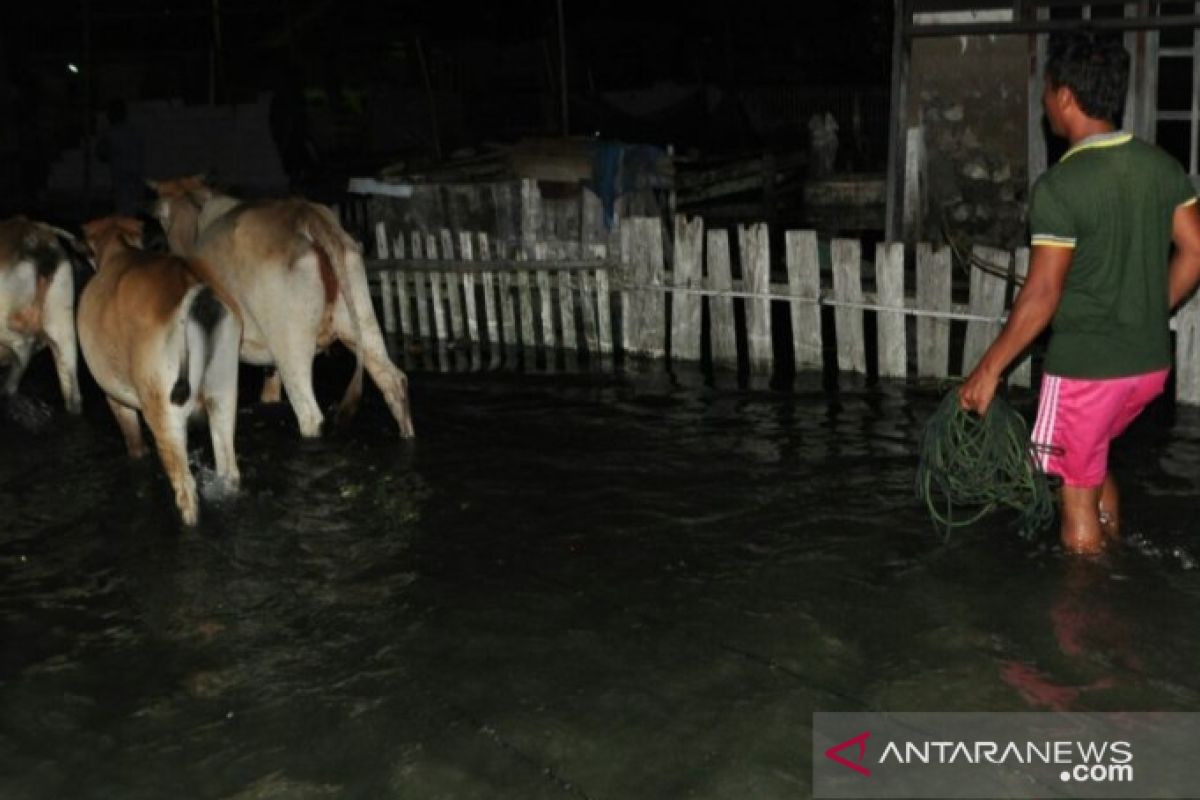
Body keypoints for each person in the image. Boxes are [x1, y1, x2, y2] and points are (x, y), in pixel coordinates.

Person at [959, 32, 1200, 555]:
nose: (1045, 101)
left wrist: (988, 370)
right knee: (1088, 462)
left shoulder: (1060, 187)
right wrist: (1149, 310)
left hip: (1087, 369)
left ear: (1065, 96)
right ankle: (1113, 547)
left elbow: (1043, 292)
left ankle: (1089, 609)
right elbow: (1196, 250)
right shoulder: (1163, 167)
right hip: (1149, 365)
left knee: (1071, 492)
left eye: (1046, 90)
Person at [95, 99, 145, 215]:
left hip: (123, 181)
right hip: (133, 179)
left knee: (125, 212)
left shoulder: (112, 134)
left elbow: (101, 154)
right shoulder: (134, 132)